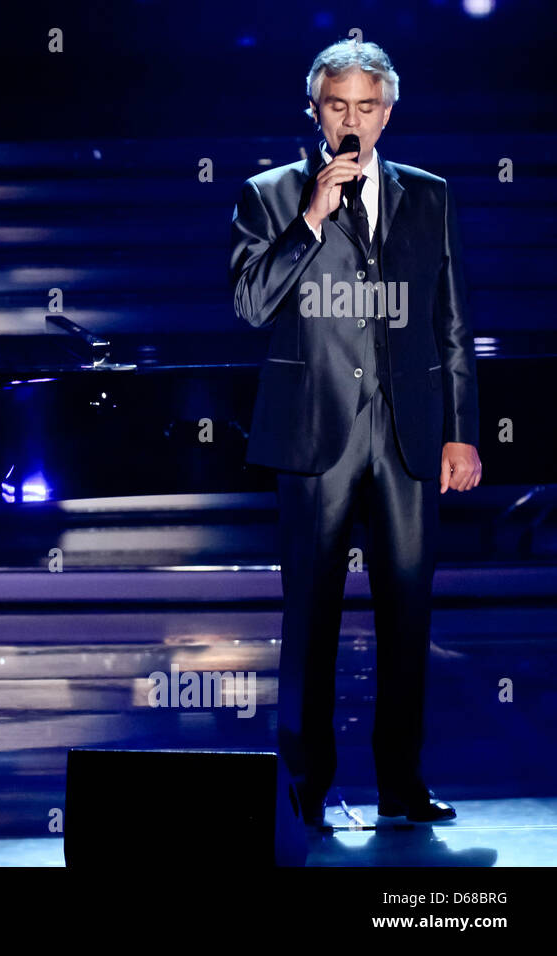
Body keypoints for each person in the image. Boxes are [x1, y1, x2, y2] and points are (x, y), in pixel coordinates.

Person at [229, 41, 481, 826]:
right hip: (316, 436)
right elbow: (248, 302)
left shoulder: (428, 195)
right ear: (315, 110)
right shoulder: (269, 194)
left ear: (388, 113)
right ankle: (304, 790)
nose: (352, 121)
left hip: (407, 432)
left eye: (366, 107)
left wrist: (461, 432)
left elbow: (451, 323)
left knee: (409, 613)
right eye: (337, 105)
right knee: (311, 616)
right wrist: (310, 218)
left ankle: (402, 784)